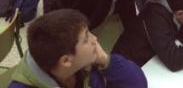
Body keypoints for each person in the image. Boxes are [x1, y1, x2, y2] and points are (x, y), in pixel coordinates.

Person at [9, 9, 147, 88]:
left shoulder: (84, 65)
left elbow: (139, 84)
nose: (95, 39)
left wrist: (106, 61)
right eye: (86, 39)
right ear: (66, 61)